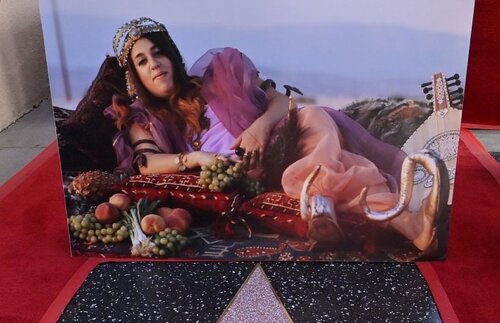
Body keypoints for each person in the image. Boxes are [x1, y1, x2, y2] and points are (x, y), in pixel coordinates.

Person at [105, 17, 443, 253]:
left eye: (158, 52)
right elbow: (146, 162)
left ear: (172, 56)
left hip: (283, 144)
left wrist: (260, 126)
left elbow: (281, 101)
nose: (154, 63)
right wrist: (194, 158)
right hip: (242, 171)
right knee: (334, 159)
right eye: (142, 60)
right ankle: (401, 220)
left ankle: (378, 219)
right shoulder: (140, 116)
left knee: (311, 115)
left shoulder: (212, 77)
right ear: (135, 75)